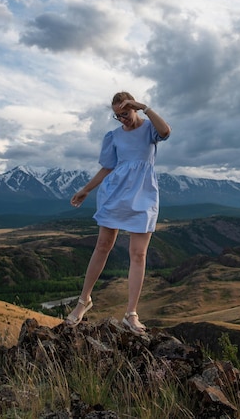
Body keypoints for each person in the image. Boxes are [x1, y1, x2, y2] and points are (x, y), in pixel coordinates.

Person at [66, 91, 171, 334]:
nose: (122, 118)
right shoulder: (113, 137)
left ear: (133, 107)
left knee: (138, 254)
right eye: (117, 115)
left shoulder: (149, 129)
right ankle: (84, 302)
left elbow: (165, 132)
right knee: (103, 245)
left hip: (143, 194)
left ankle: (131, 314)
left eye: (125, 113)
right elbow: (107, 168)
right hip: (115, 193)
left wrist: (145, 107)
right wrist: (86, 190)